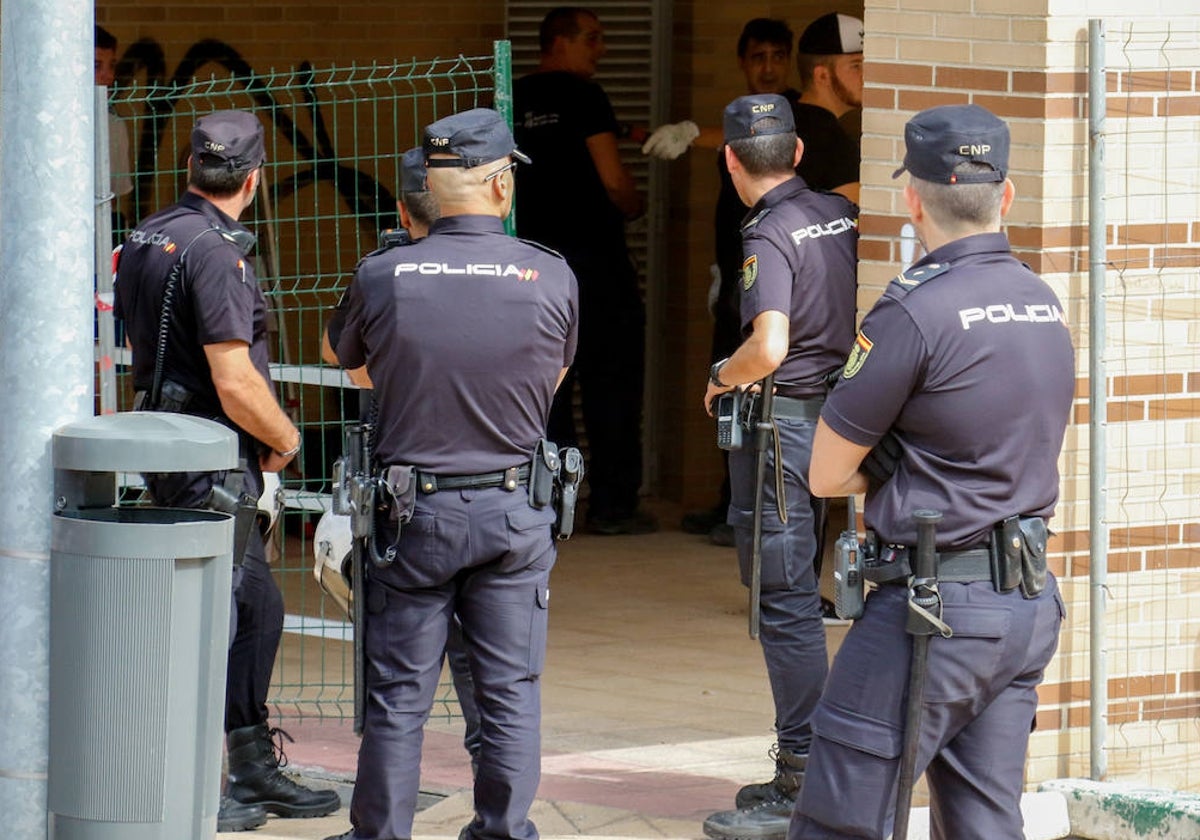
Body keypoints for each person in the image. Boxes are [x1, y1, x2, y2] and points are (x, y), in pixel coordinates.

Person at [790, 104, 1073, 839]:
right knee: (984, 823)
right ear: (1005, 196)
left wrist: (895, 476)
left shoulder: (913, 313)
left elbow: (825, 473)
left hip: (933, 610)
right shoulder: (1042, 302)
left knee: (840, 819)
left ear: (912, 199)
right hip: (1026, 602)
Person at [323, 108, 578, 840]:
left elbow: (348, 361)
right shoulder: (550, 273)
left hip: (414, 516)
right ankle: (501, 831)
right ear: (501, 184)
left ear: (427, 190)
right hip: (512, 508)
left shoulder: (384, 275)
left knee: (399, 696)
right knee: (508, 692)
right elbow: (551, 378)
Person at [113, 110, 342, 834]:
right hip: (211, 453)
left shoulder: (151, 231)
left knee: (252, 610)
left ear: (192, 168)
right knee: (223, 618)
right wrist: (284, 439)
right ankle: (212, 783)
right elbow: (235, 377)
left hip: (172, 441)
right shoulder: (217, 252)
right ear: (254, 178)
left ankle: (247, 767)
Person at [700, 94, 858, 840]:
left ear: (730, 159)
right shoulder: (840, 212)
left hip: (782, 435)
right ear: (797, 153)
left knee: (786, 601)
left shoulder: (768, 231)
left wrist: (720, 376)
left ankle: (803, 775)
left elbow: (768, 346)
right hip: (841, 426)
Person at [318, 146, 483, 772]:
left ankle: (383, 816)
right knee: (491, 678)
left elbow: (338, 354)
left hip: (408, 495)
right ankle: (496, 808)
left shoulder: (386, 272)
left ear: (403, 209)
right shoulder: (511, 269)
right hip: (497, 490)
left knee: (398, 680)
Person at [513, 6, 656, 535]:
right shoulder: (586, 96)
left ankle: (550, 503)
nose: (601, 51)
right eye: (592, 39)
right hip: (595, 267)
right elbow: (614, 179)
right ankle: (614, 506)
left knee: (544, 389)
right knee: (610, 382)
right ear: (560, 42)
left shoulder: (511, 98)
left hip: (531, 269)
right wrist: (633, 204)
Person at [678, 18, 799, 548]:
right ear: (742, 61)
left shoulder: (788, 118)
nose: (768, 66)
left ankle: (751, 509)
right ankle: (734, 500)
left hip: (774, 281)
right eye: (757, 57)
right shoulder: (738, 123)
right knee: (726, 392)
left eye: (777, 55)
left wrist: (689, 134)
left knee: (757, 386)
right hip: (737, 279)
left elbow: (727, 138)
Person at [791, 12, 864, 203]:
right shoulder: (836, 146)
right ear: (822, 75)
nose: (866, 75)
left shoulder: (780, 122)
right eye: (856, 66)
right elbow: (849, 228)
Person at [95, 25, 133, 209]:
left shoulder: (114, 126)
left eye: (112, 66)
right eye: (96, 66)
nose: (108, 76)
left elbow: (114, 196)